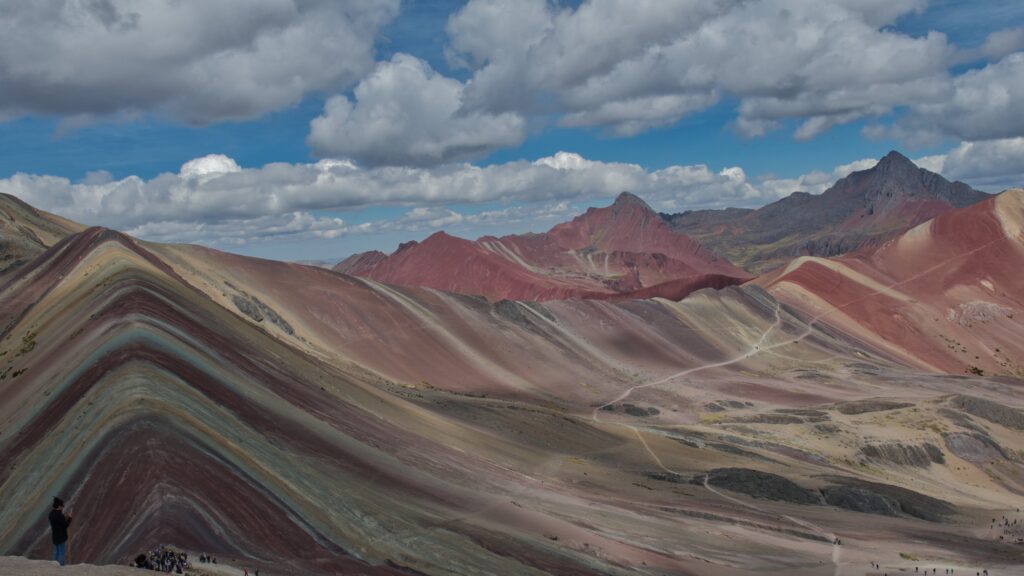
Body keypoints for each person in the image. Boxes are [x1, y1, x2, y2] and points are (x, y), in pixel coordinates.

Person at [48, 497, 73, 566]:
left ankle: (54, 565)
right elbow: (65, 525)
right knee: (61, 552)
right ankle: (61, 566)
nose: (63, 507)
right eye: (62, 506)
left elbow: (58, 522)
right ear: (59, 506)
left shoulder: (51, 514)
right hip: (61, 536)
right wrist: (70, 518)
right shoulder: (59, 515)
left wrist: (63, 515)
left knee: (56, 552)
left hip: (55, 536)